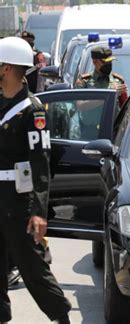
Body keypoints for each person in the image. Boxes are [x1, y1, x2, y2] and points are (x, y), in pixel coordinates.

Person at [0, 37, 71, 324]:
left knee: (31, 266)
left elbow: (40, 165)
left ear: (5, 68)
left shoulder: (32, 110)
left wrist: (39, 212)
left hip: (17, 200)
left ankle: (61, 316)